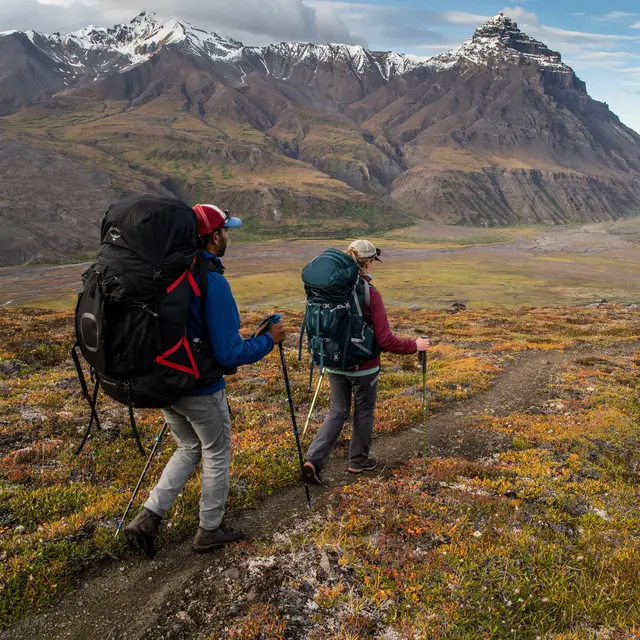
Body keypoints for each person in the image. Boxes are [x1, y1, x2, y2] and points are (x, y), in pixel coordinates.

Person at [125, 204, 286, 557]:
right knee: (216, 452)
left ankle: (148, 518)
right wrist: (268, 341)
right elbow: (229, 354)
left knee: (189, 447)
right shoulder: (211, 281)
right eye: (226, 231)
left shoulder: (167, 274)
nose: (228, 236)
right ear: (213, 236)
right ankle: (209, 530)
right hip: (200, 389)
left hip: (166, 383)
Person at [303, 239, 429, 484]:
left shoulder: (329, 290)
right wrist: (414, 346)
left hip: (333, 361)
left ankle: (313, 460)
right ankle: (358, 461)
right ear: (369, 263)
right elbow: (386, 341)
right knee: (363, 411)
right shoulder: (371, 294)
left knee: (337, 411)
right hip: (364, 368)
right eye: (373, 262)